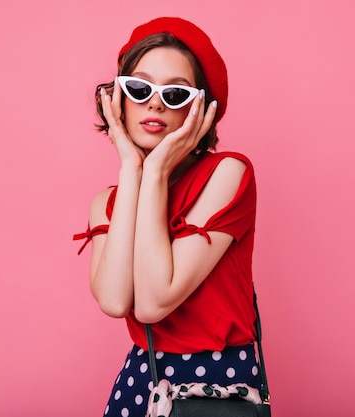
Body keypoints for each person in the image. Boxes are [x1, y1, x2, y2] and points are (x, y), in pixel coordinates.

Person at [74, 17, 262, 417]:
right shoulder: (106, 202)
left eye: (175, 94)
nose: (155, 103)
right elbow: (113, 298)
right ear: (117, 100)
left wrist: (156, 170)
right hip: (141, 381)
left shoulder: (229, 174)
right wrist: (131, 169)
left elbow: (153, 302)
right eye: (139, 89)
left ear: (199, 110)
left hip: (216, 389)